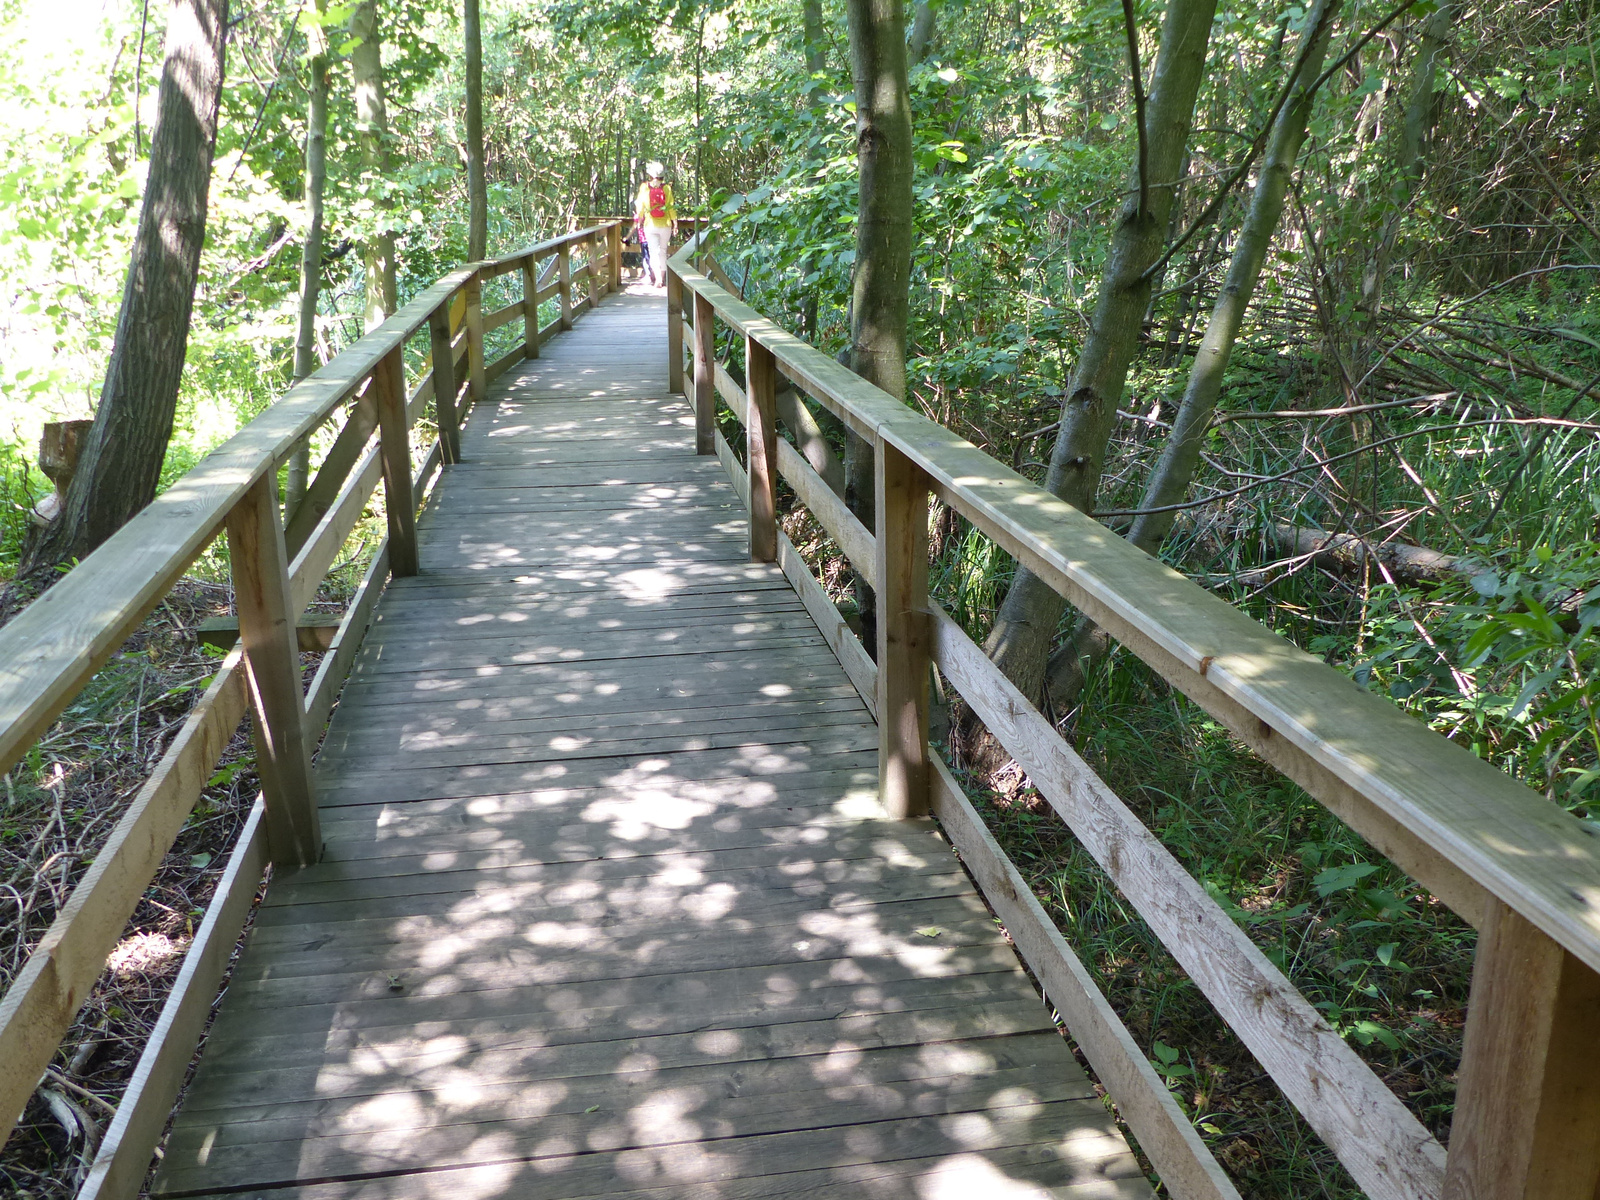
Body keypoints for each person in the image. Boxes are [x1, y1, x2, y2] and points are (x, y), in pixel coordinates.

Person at [633, 162, 677, 287]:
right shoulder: (666, 188)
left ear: (650, 174)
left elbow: (640, 207)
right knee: (663, 251)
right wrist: (675, 223)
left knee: (653, 252)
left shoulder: (644, 187)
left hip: (650, 224)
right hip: (665, 225)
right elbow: (671, 207)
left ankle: (658, 278)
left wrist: (639, 220)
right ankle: (661, 278)